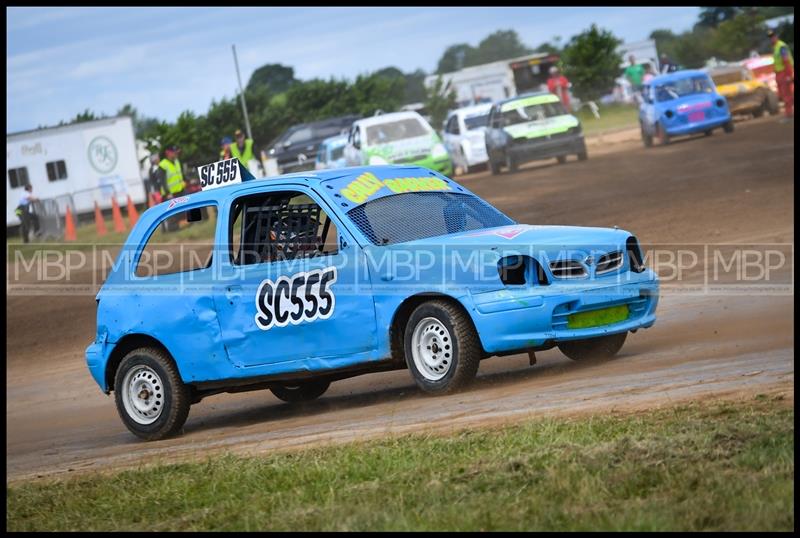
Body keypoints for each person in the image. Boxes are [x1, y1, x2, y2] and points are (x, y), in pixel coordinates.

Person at [768, 29, 794, 121]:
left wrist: (789, 75)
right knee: (784, 94)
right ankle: (788, 113)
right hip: (779, 74)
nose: (772, 39)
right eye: (770, 38)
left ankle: (789, 114)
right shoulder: (776, 47)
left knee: (787, 94)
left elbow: (786, 61)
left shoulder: (781, 46)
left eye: (773, 37)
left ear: (776, 36)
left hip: (784, 72)